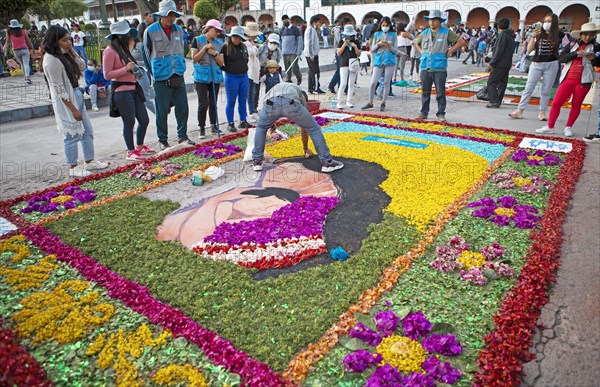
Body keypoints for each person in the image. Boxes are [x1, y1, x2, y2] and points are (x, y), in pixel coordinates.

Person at [42, 25, 108, 177]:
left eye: (69, 39)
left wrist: (71, 51)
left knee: (87, 130)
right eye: (64, 40)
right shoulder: (51, 60)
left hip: (76, 93)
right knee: (71, 134)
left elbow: (83, 66)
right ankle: (73, 166)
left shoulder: (64, 54)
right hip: (66, 100)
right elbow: (58, 89)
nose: (68, 43)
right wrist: (73, 109)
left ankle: (90, 161)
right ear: (54, 41)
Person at [251, 83, 344, 173]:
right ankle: (327, 162)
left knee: (261, 128)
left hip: (270, 104)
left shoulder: (277, 88)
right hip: (290, 103)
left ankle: (257, 162)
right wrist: (305, 148)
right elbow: (305, 127)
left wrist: (270, 124)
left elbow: (267, 108)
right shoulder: (299, 95)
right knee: (314, 128)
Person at [143, 0, 195, 150]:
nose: (171, 18)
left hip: (178, 73)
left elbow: (181, 49)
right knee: (162, 110)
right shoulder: (150, 31)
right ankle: (163, 139)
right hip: (161, 76)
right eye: (168, 15)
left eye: (173, 15)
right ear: (161, 15)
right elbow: (146, 55)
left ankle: (183, 136)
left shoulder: (179, 30)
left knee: (182, 108)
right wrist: (152, 75)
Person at [536, 23, 600, 137]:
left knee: (576, 104)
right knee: (556, 102)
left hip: (584, 81)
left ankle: (568, 126)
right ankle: (550, 126)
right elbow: (561, 59)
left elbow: (599, 64)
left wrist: (594, 59)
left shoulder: (597, 47)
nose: (587, 37)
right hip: (568, 78)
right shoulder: (572, 44)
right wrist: (575, 54)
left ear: (594, 35)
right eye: (585, 34)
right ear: (580, 35)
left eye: (590, 35)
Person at [104, 21, 154, 162]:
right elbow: (107, 74)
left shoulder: (124, 49)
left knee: (144, 119)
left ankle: (139, 146)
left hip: (134, 88)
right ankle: (130, 151)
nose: (129, 37)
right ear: (118, 36)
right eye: (126, 35)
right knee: (129, 121)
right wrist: (125, 69)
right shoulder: (109, 51)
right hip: (121, 91)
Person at [509, 13, 563, 121]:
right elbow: (529, 50)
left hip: (551, 64)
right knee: (529, 87)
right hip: (536, 63)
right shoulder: (538, 33)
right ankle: (520, 110)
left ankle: (542, 112)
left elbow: (566, 48)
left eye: (549, 21)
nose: (547, 23)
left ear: (555, 23)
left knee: (546, 90)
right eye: (545, 21)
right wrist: (533, 36)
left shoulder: (560, 35)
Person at [414, 10, 466, 121]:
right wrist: (422, 52)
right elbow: (416, 42)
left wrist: (450, 51)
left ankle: (441, 113)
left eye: (434, 20)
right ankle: (424, 112)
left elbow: (461, 42)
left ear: (439, 21)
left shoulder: (446, 32)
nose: (432, 22)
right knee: (425, 92)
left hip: (439, 67)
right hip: (425, 67)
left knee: (440, 92)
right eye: (430, 20)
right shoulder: (424, 33)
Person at [191, 19, 225, 139]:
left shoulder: (220, 44)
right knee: (203, 103)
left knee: (213, 102)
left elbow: (221, 63)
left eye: (219, 31)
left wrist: (214, 53)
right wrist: (204, 48)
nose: (217, 33)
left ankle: (213, 125)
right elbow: (194, 58)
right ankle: (201, 128)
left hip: (214, 75)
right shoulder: (197, 40)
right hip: (201, 76)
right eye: (215, 30)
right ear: (208, 28)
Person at [361, 17, 398, 112]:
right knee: (373, 82)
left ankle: (383, 102)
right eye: (383, 25)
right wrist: (378, 44)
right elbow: (372, 50)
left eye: (386, 25)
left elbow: (396, 51)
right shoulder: (377, 34)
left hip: (389, 61)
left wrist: (389, 46)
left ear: (390, 26)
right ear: (380, 25)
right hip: (378, 61)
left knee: (386, 83)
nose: (385, 27)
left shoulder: (393, 35)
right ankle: (370, 102)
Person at [222, 25, 251, 132]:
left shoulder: (243, 46)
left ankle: (243, 120)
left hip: (243, 76)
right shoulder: (225, 47)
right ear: (231, 37)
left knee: (243, 100)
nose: (237, 39)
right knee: (231, 101)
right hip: (231, 77)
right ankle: (230, 123)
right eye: (235, 37)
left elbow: (246, 59)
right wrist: (224, 69)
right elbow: (220, 61)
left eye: (239, 37)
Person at [485, 18, 515, 108]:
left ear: (498, 26)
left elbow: (498, 51)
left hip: (500, 64)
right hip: (507, 63)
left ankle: (494, 101)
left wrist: (492, 63)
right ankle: (498, 100)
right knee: (502, 82)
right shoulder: (510, 35)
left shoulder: (503, 35)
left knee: (491, 82)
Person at [336, 25, 361, 109]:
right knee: (343, 83)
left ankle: (349, 101)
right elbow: (338, 53)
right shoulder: (341, 41)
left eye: (350, 36)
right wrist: (344, 45)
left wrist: (354, 46)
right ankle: (339, 102)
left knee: (351, 83)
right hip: (344, 63)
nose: (348, 38)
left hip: (353, 63)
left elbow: (359, 54)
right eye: (347, 35)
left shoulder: (356, 42)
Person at [256, 33, 282, 110]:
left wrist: (273, 67)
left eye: (275, 43)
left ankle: (272, 105)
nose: (273, 44)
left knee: (272, 88)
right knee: (256, 90)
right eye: (271, 42)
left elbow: (277, 61)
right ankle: (255, 108)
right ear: (268, 42)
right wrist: (263, 63)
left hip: (271, 70)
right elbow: (255, 57)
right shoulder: (262, 48)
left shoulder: (278, 51)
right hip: (260, 69)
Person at [4, 19, 33, 84]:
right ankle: (27, 77)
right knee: (26, 64)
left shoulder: (9, 32)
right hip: (24, 49)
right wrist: (32, 48)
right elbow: (28, 41)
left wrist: (6, 51)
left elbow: (7, 42)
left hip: (16, 50)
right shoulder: (22, 31)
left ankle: (25, 78)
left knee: (22, 64)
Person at [244, 22, 262, 123]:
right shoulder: (246, 43)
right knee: (249, 94)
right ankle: (250, 112)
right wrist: (255, 47)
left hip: (254, 72)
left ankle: (253, 110)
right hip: (249, 72)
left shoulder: (252, 43)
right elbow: (250, 53)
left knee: (253, 92)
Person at [304, 15, 325, 95]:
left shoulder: (312, 29)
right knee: (315, 71)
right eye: (318, 22)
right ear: (314, 22)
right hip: (311, 54)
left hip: (311, 53)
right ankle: (316, 88)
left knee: (311, 71)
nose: (319, 23)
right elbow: (309, 42)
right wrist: (311, 54)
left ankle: (310, 88)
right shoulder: (310, 30)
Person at [280, 14, 303, 85]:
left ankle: (299, 76)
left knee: (294, 68)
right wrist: (281, 49)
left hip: (293, 53)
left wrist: (299, 51)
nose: (285, 21)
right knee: (287, 68)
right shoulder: (282, 30)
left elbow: (299, 40)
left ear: (289, 20)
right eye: (283, 20)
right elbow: (280, 41)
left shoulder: (295, 29)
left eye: (286, 20)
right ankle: (288, 79)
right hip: (284, 53)